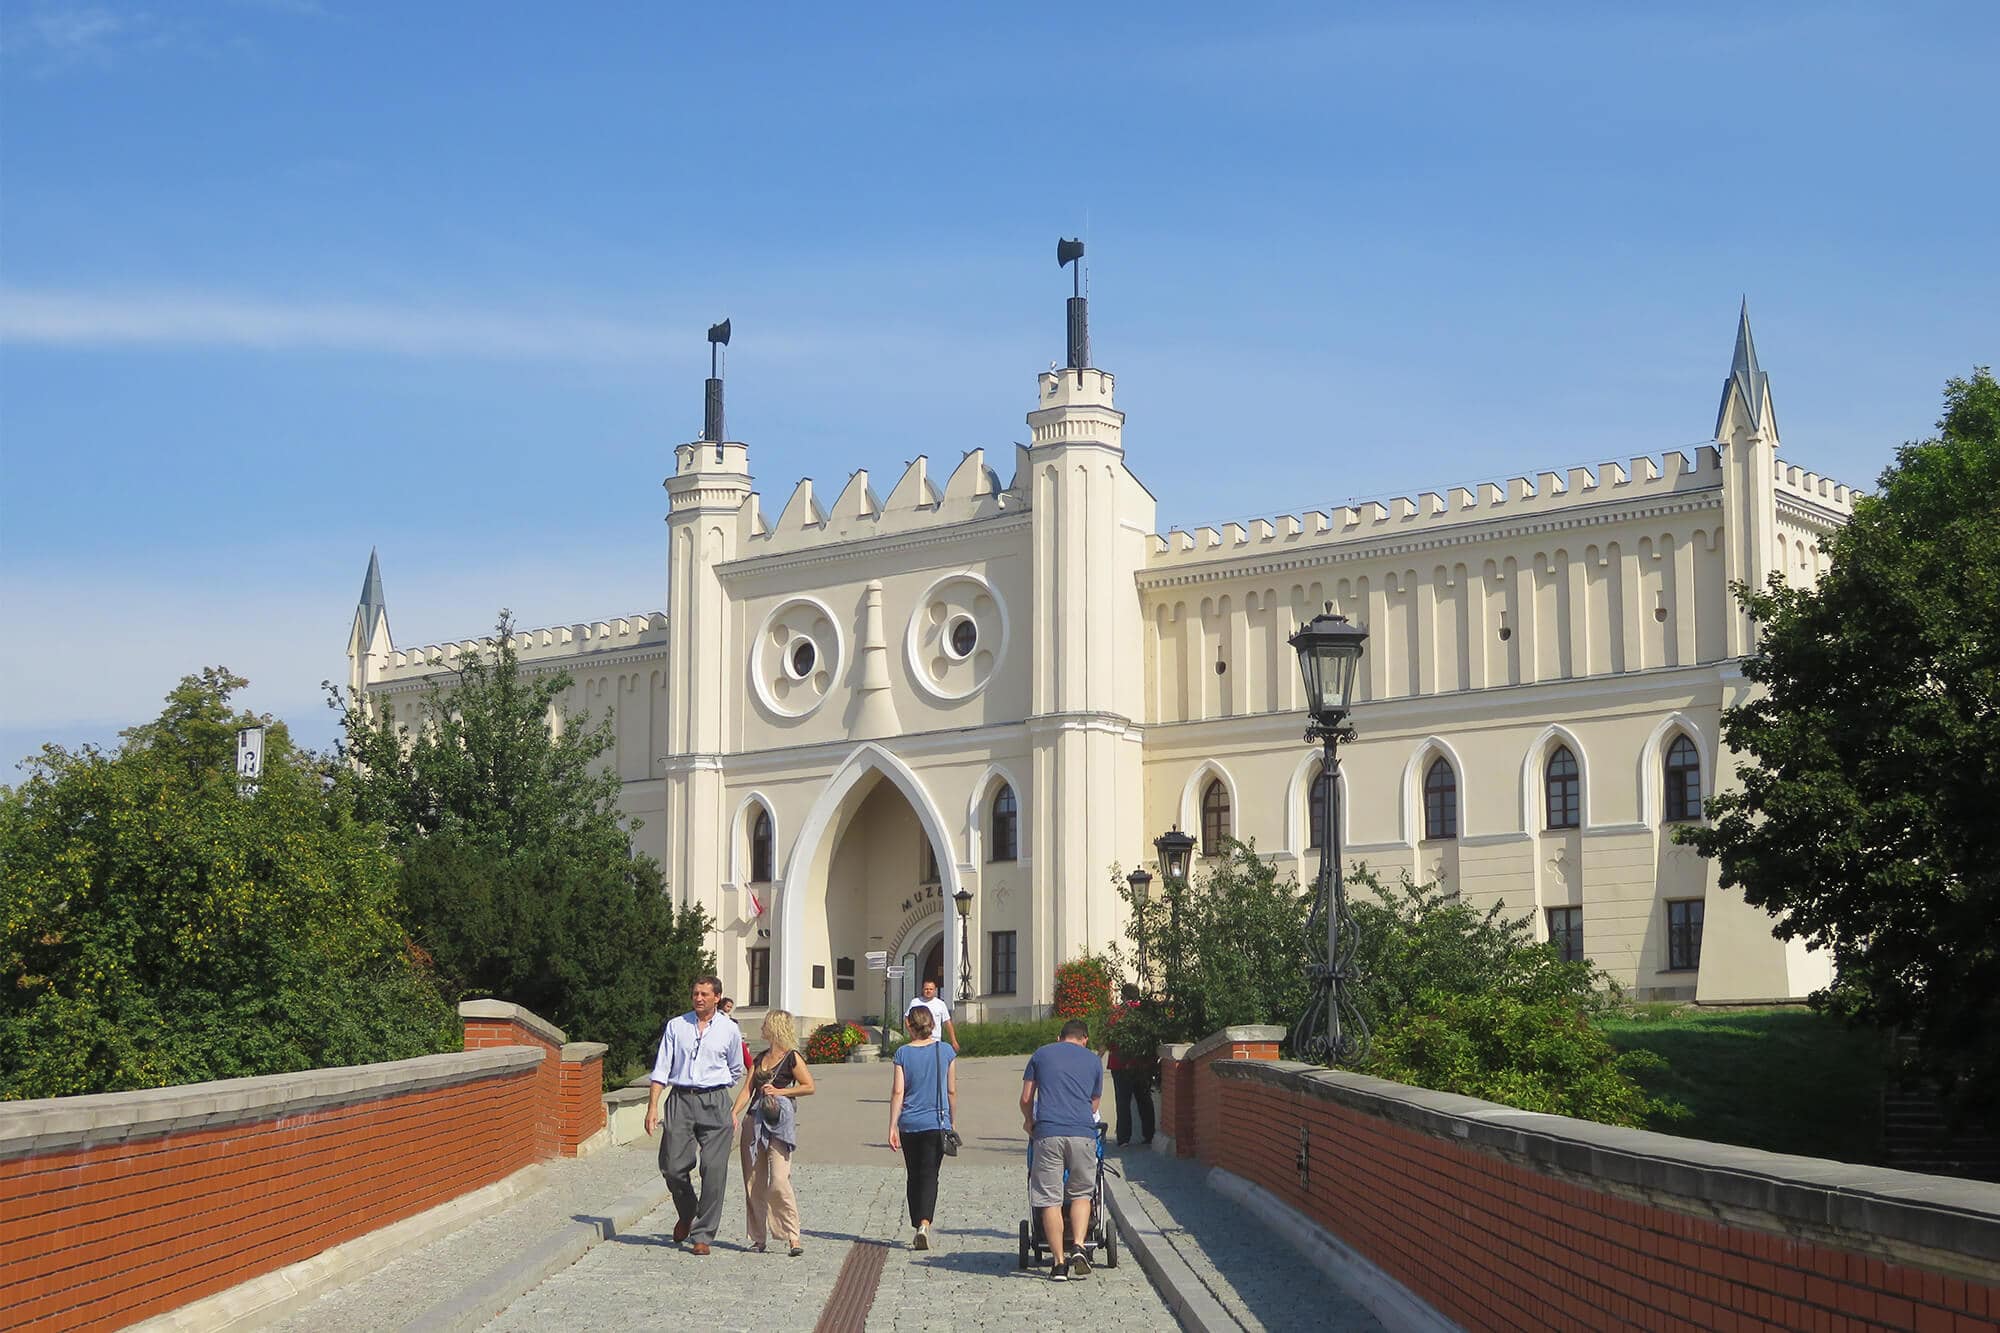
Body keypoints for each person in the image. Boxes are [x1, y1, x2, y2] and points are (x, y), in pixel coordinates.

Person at [644, 975, 746, 1256]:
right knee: (672, 1167)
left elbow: (736, 1068)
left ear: (717, 997)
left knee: (714, 1170)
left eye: (704, 994)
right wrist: (653, 1106)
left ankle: (703, 1234)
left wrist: (720, 1092)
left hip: (714, 1100)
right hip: (680, 1099)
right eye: (695, 994)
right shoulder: (677, 1026)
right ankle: (687, 1212)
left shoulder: (729, 1030)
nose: (698, 998)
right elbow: (661, 1068)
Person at [1021, 1019, 1103, 1282]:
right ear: (1085, 1039)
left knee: (1050, 1198)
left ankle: (1058, 1264)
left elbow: (1026, 1098)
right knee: (1081, 1193)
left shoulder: (1041, 1054)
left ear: (1060, 1037)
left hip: (1048, 1133)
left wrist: (1029, 1121)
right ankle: (1078, 1245)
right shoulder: (1093, 1061)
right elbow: (1093, 1105)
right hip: (1083, 1133)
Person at [732, 1008, 814, 1257]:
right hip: (754, 1119)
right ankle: (758, 1238)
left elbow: (808, 1086)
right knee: (753, 1181)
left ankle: (792, 1236)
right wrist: (733, 1113)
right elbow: (747, 1089)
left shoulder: (792, 1057)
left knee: (779, 1180)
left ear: (775, 1027)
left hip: (779, 1120)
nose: (761, 1028)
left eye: (766, 1024)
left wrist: (781, 1092)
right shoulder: (759, 1058)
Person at [887, 1003, 957, 1251]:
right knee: (930, 1175)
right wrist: (952, 1120)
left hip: (910, 1123)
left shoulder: (902, 1053)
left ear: (909, 1026)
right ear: (933, 1025)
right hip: (936, 1122)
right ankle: (924, 1224)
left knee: (914, 1174)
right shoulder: (946, 1051)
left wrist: (892, 1126)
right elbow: (951, 1090)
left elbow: (898, 1091)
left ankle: (917, 1221)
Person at [1105, 983, 1156, 1147]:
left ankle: (1123, 1138)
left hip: (1119, 1064)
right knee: (1145, 1100)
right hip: (1142, 1064)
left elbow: (1108, 1038)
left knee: (1123, 1102)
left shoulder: (1116, 1013)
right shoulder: (1145, 1013)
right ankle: (1149, 1135)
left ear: (1124, 996)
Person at [910, 978, 960, 1054]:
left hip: (935, 1039)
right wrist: (913, 1034)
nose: (928, 991)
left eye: (931, 989)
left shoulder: (940, 1004)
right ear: (923, 989)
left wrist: (953, 1040)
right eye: (926, 989)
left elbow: (948, 1023)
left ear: (935, 990)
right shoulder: (915, 1002)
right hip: (919, 1039)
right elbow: (907, 1019)